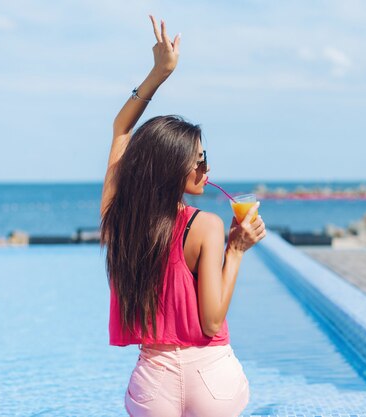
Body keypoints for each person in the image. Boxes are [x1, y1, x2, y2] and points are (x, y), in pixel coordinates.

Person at [99, 15, 266, 417]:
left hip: (153, 382)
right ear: (175, 167)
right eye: (200, 161)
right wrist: (237, 250)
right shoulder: (205, 224)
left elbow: (122, 130)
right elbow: (210, 322)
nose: (207, 170)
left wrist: (159, 73)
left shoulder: (118, 220)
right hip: (210, 378)